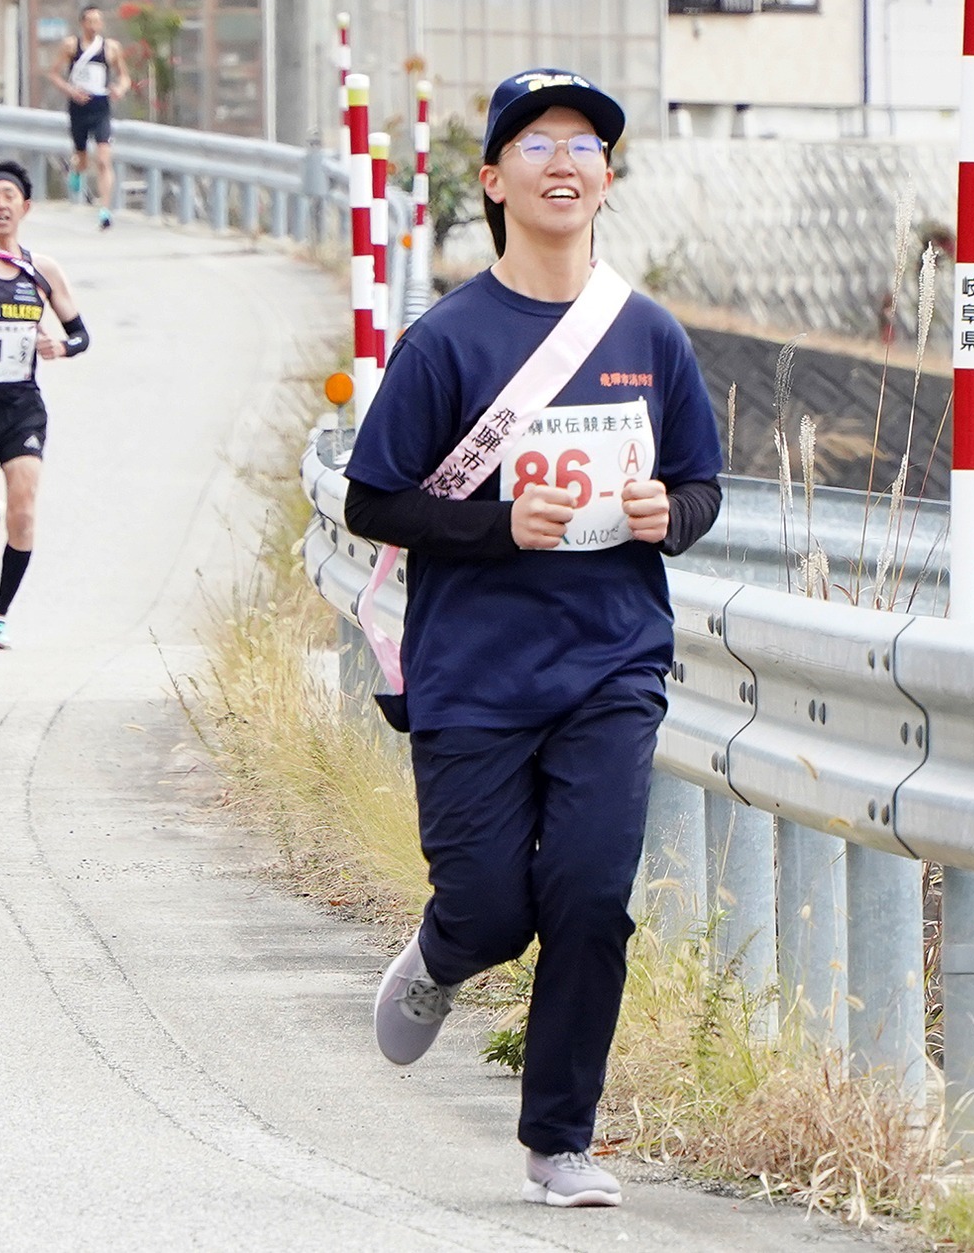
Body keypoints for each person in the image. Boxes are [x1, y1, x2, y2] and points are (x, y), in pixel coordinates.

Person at [343, 68, 725, 1207]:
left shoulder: (646, 333)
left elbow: (701, 485)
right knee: (494, 907)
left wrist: (673, 515)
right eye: (537, 142)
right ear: (493, 178)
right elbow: (373, 503)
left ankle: (559, 1143)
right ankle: (444, 954)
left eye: (585, 145)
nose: (563, 162)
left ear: (605, 178)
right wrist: (499, 526)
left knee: (590, 896)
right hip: (472, 673)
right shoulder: (446, 340)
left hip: (611, 661)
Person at [0, 158, 90, 649]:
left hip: (22, 408)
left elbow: (80, 334)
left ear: (25, 207)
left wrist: (60, 347)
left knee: (26, 509)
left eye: (10, 196)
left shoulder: (42, 270)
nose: (1, 204)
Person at [47, 6, 130, 231]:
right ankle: (76, 170)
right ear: (82, 23)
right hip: (78, 105)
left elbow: (124, 76)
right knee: (82, 157)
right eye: (90, 21)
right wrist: (70, 90)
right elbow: (53, 73)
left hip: (100, 106)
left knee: (103, 159)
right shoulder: (70, 46)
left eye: (98, 21)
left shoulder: (111, 48)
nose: (94, 25)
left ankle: (105, 209)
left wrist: (120, 89)